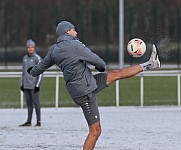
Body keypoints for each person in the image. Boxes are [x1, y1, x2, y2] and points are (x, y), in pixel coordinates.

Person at [27, 21, 160, 149]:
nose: (76, 31)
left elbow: (40, 67)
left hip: (87, 83)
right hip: (84, 92)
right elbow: (97, 61)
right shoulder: (75, 45)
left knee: (116, 74)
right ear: (67, 32)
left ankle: (149, 64)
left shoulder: (53, 50)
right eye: (73, 29)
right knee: (95, 131)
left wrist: (31, 71)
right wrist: (100, 67)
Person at [20, 39, 43, 127]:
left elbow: (40, 73)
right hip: (26, 85)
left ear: (34, 48)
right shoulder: (24, 58)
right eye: (29, 47)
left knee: (36, 103)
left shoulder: (37, 58)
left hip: (34, 85)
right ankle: (28, 121)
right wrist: (22, 83)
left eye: (32, 47)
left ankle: (38, 121)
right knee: (29, 104)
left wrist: (37, 85)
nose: (30, 49)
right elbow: (23, 72)